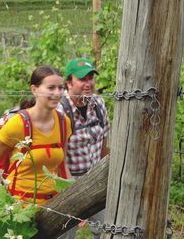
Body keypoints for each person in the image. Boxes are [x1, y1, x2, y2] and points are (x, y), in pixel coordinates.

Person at [0, 65, 72, 205]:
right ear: (34, 90)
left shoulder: (63, 123)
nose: (57, 93)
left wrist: (71, 200)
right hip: (20, 207)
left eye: (60, 88)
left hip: (54, 206)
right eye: (51, 88)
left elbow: (62, 165)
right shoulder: (18, 124)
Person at [58, 58, 110, 239]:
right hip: (69, 181)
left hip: (97, 177)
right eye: (82, 79)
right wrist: (72, 192)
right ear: (69, 83)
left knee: (106, 230)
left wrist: (107, 176)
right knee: (65, 233)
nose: (88, 84)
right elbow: (59, 157)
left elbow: (104, 142)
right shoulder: (60, 109)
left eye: (90, 78)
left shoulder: (98, 103)